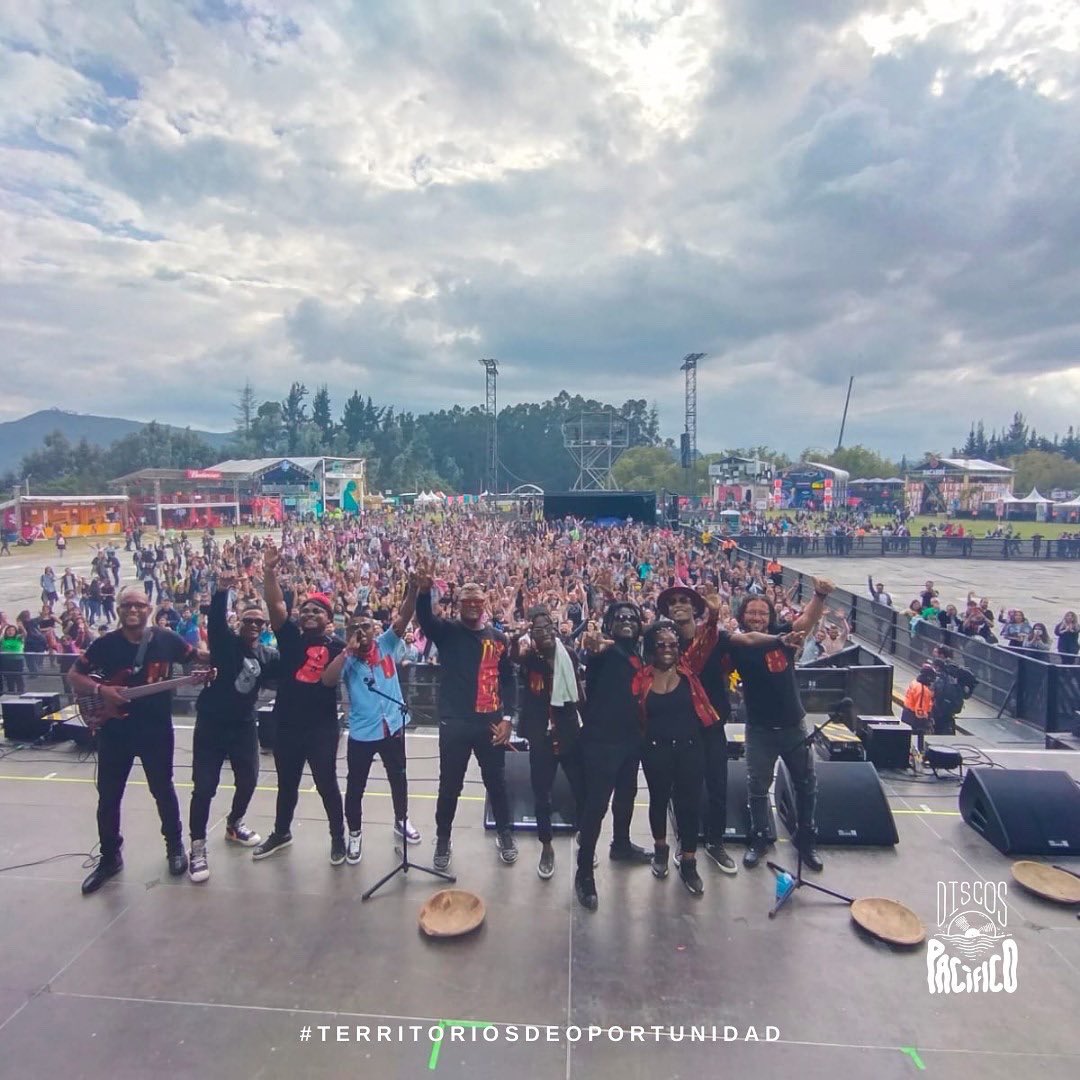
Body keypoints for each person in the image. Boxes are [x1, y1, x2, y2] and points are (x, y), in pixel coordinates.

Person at [69, 586, 208, 894]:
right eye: (127, 605)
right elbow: (74, 676)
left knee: (163, 790)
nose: (133, 610)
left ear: (149, 609)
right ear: (118, 609)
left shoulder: (166, 639)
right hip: (115, 732)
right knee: (108, 797)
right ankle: (109, 857)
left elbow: (196, 657)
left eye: (140, 605)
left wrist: (225, 656)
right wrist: (101, 691)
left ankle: (175, 848)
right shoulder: (105, 645)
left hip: (155, 730)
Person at [414, 561, 518, 871]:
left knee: (496, 783)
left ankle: (505, 834)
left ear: (485, 605)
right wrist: (423, 590)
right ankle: (443, 838)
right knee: (449, 786)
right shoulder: (446, 631)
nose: (472, 606)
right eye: (466, 601)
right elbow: (425, 618)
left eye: (477, 601)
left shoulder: (499, 640)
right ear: (459, 604)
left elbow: (509, 679)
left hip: (490, 721)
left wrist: (508, 718)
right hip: (455, 722)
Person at [252, 542, 347, 865]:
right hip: (287, 724)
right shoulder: (290, 636)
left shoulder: (338, 646)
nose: (308, 614)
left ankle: (338, 836)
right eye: (305, 610)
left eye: (316, 610)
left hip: (321, 726)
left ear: (328, 618)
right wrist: (269, 571)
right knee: (287, 783)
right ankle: (281, 832)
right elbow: (276, 603)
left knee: (326, 783)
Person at [320, 575, 421, 867]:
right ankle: (354, 833)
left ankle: (401, 820)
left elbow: (404, 615)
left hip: (393, 726)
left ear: (375, 628)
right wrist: (347, 651)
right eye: (355, 628)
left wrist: (413, 589)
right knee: (356, 786)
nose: (362, 632)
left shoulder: (387, 643)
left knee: (398, 778)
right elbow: (327, 680)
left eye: (366, 626)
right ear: (348, 632)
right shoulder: (347, 658)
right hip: (363, 733)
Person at [733, 577, 832, 870]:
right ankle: (759, 837)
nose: (757, 618)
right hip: (759, 729)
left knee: (806, 784)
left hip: (792, 725)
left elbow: (806, 622)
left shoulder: (784, 635)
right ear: (742, 616)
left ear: (771, 617)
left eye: (763, 613)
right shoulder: (738, 642)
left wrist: (819, 595)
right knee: (758, 786)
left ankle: (806, 840)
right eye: (752, 612)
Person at [186, 572, 279, 883]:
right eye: (248, 620)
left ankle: (234, 824)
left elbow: (289, 663)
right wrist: (222, 591)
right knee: (204, 786)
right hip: (211, 723)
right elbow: (214, 622)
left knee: (249, 779)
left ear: (265, 628)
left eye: (259, 622)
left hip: (242, 724)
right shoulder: (227, 645)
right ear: (240, 623)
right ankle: (197, 846)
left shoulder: (267, 655)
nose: (253, 625)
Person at [573, 600, 653, 913]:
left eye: (632, 618)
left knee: (626, 797)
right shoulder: (603, 653)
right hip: (601, 742)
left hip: (631, 740)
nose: (626, 621)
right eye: (619, 618)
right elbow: (594, 651)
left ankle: (620, 844)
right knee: (596, 808)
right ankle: (584, 873)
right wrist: (594, 644)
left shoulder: (639, 654)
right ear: (609, 625)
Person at [513, 605, 586, 880]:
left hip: (568, 733)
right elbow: (513, 657)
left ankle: (584, 841)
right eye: (538, 628)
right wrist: (515, 637)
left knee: (582, 790)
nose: (544, 632)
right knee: (541, 795)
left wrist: (588, 724)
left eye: (548, 627)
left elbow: (579, 691)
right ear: (532, 633)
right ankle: (547, 847)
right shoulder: (530, 659)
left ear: (555, 629)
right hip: (541, 737)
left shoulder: (569, 654)